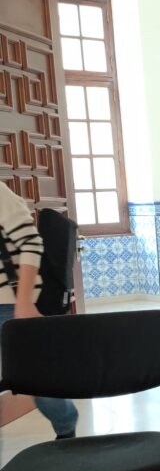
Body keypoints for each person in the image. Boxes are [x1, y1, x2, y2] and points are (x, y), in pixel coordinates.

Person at [0, 182, 78, 439]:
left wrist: (23, 302)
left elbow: (31, 242)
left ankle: (66, 429)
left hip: (9, 306)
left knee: (38, 381)